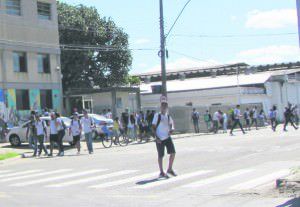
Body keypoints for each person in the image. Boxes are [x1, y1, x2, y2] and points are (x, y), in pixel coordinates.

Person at [152, 100, 176, 178]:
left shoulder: (168, 116)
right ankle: (161, 172)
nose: (164, 108)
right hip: (160, 138)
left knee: (173, 153)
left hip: (167, 137)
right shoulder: (157, 116)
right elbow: (153, 127)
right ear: (161, 107)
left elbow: (171, 124)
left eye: (165, 106)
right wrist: (157, 137)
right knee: (161, 155)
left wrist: (172, 129)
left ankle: (169, 169)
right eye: (163, 106)